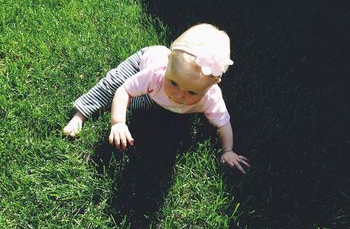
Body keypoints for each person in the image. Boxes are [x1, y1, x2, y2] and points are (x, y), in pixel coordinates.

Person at [63, 23, 250, 173]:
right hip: (141, 63)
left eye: (192, 92)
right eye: (174, 83)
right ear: (168, 64)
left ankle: (125, 104)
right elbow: (124, 90)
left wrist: (228, 150)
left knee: (142, 105)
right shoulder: (155, 74)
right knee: (112, 86)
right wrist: (118, 123)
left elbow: (222, 123)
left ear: (213, 84)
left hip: (156, 97)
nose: (179, 94)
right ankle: (80, 114)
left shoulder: (211, 97)